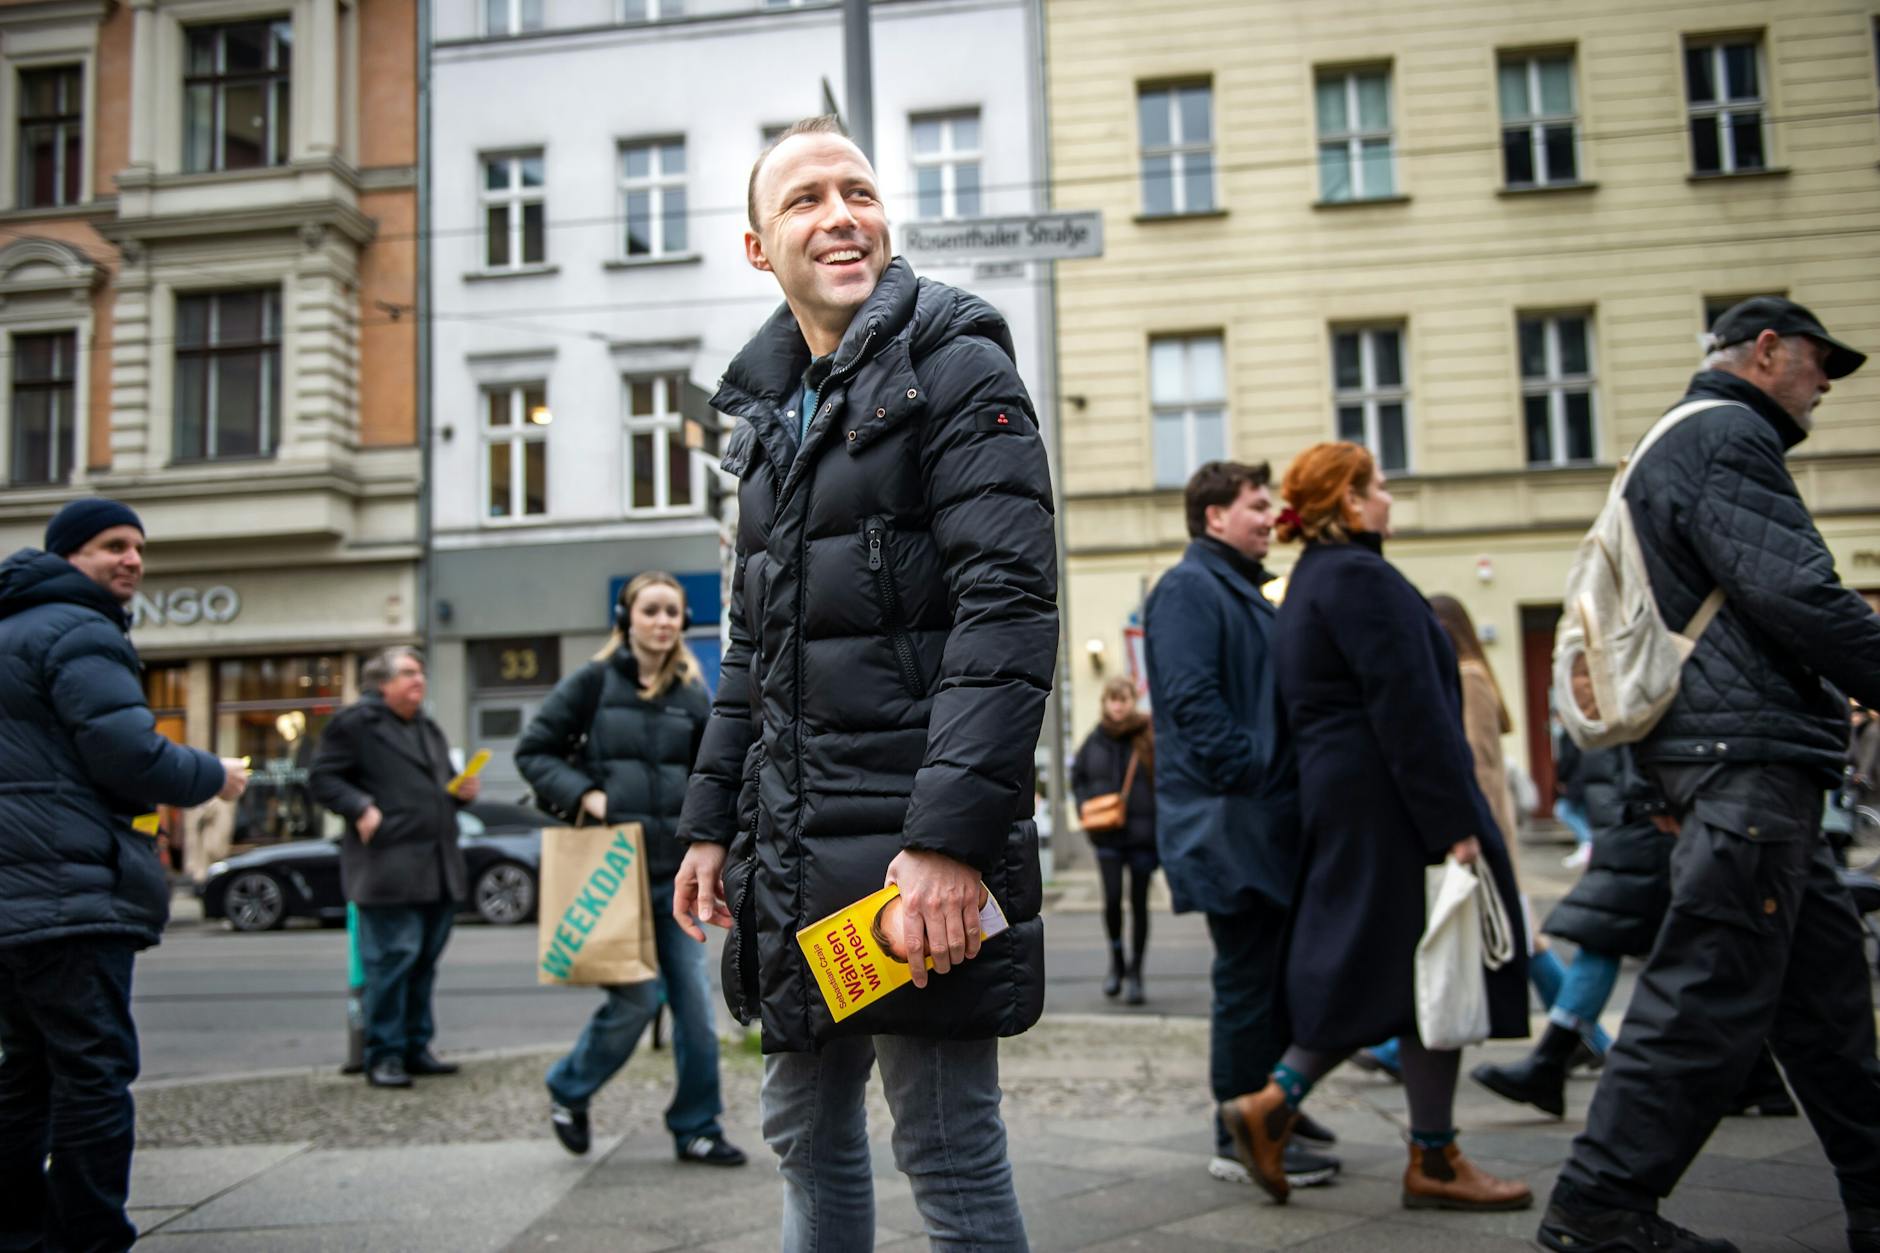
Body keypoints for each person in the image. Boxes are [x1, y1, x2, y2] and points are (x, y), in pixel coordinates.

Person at [670, 115, 1056, 1251]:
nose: (840, 216)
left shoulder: (956, 368)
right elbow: (753, 650)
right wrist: (708, 823)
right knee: (802, 1128)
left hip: (907, 858)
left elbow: (1005, 617)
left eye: (858, 192)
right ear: (757, 248)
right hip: (795, 848)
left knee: (944, 1147)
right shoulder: (768, 421)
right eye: (803, 200)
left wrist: (946, 843)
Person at [1540, 301, 1880, 1253]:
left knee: (1827, 1014)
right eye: (1819, 362)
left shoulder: (1681, 441)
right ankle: (1600, 1205)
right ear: (1766, 351)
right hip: (1747, 767)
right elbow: (1797, 593)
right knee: (1705, 993)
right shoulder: (1728, 435)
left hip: (1742, 766)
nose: (1825, 384)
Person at [1220, 441, 1532, 1213]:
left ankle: (1422, 1149)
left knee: (1404, 972)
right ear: (1351, 503)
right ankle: (1299, 1110)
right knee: (1425, 964)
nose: (1390, 498)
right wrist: (1455, 822)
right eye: (1380, 486)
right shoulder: (1363, 578)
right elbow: (1412, 710)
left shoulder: (1311, 584)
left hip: (1352, 801)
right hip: (1393, 804)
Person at [0, 498, 249, 1253]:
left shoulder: (12, 628)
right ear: (69, 555)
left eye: (138, 546)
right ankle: (89, 1234)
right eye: (113, 545)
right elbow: (129, 753)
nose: (132, 560)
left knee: (26, 1072)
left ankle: (16, 1230)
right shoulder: (80, 630)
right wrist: (214, 774)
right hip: (67, 886)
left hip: (16, 893)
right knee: (93, 1070)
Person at [1141, 459, 1342, 1192]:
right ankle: (1235, 1131)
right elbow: (1193, 705)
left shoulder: (1238, 586)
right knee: (1247, 978)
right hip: (1228, 817)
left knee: (1273, 975)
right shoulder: (1191, 588)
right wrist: (1258, 770)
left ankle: (1272, 1109)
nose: (1270, 517)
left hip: (1251, 816)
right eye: (1257, 506)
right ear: (1213, 515)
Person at [514, 573, 745, 1167]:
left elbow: (713, 772)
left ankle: (697, 1125)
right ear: (628, 618)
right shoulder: (592, 682)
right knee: (640, 1000)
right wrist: (587, 796)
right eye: (652, 610)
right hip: (612, 872)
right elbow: (533, 751)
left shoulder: (693, 694)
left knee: (694, 1006)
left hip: (673, 877)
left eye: (673, 611)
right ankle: (570, 1086)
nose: (664, 621)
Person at [310, 647, 480, 1090]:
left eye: (420, 673)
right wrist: (361, 807)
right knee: (391, 962)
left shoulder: (426, 726)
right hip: (388, 867)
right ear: (380, 683)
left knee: (422, 963)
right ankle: (382, 1054)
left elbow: (437, 786)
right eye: (407, 673)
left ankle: (415, 1047)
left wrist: (461, 793)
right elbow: (323, 778)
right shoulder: (355, 725)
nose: (418, 680)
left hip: (438, 866)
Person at [1070, 675, 1159, 1005]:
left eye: (1124, 699)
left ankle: (1136, 973)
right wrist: (1083, 806)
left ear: (1133, 701)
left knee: (1139, 905)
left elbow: (1165, 779)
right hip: (1106, 834)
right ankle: (1117, 962)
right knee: (1111, 901)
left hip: (1143, 836)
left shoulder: (1148, 735)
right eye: (1113, 699)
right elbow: (1077, 777)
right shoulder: (1094, 740)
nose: (1119, 705)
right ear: (1105, 702)